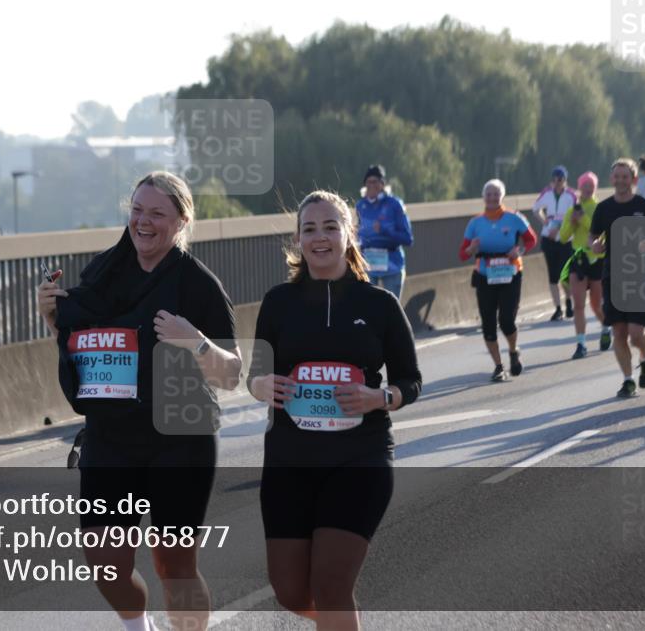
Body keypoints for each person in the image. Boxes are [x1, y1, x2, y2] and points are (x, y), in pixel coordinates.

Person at [37, 171, 242, 631]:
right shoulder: (102, 272)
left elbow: (232, 374)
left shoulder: (198, 284)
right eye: (136, 210)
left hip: (180, 437)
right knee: (105, 566)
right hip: (112, 438)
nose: (143, 222)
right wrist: (52, 318)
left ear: (182, 220)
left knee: (174, 565)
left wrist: (197, 342)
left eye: (156, 213)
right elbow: (83, 345)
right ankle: (139, 626)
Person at [247, 189, 421, 630]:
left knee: (330, 585)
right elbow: (257, 375)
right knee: (289, 591)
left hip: (359, 459)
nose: (319, 237)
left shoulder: (379, 304)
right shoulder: (277, 303)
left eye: (330, 227)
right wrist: (261, 385)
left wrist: (379, 398)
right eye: (309, 229)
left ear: (348, 235)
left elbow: (410, 381)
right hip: (289, 461)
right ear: (298, 239)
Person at [589, 158, 645, 398]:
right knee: (618, 333)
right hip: (613, 276)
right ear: (611, 179)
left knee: (635, 334)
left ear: (633, 179)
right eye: (617, 176)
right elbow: (593, 237)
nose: (621, 180)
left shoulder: (644, 205)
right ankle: (628, 379)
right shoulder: (604, 209)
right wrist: (595, 246)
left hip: (640, 276)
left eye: (625, 176)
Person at [460, 179, 538, 381]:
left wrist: (519, 250)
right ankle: (498, 366)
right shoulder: (475, 223)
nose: (492, 198)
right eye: (489, 194)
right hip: (485, 275)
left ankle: (513, 351)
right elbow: (462, 254)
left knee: (506, 320)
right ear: (483, 197)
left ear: (502, 196)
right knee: (488, 323)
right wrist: (471, 249)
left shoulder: (514, 218)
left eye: (496, 194)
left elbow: (531, 240)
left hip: (510, 273)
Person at [558, 171, 611, 358]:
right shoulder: (573, 209)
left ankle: (606, 327)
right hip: (578, 259)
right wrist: (572, 223)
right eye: (584, 186)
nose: (587, 189)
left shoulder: (599, 208)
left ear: (595, 188)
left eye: (591, 186)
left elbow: (600, 232)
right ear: (579, 188)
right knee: (578, 304)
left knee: (596, 304)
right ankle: (581, 344)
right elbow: (563, 237)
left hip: (597, 258)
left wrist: (584, 220)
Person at [356, 164, 413, 300]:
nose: (371, 185)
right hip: (368, 265)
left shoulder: (395, 204)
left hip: (392, 266)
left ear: (382, 184)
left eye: (375, 182)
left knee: (392, 311)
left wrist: (384, 231)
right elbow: (358, 233)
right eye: (368, 182)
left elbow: (408, 239)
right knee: (369, 312)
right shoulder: (360, 205)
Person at [533, 165, 577, 320]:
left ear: (565, 180)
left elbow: (575, 215)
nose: (557, 182)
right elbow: (535, 208)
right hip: (549, 238)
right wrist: (545, 222)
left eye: (560, 179)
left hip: (565, 238)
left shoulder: (570, 195)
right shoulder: (547, 193)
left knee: (565, 273)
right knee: (553, 275)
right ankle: (558, 308)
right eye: (554, 179)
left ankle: (569, 302)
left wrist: (560, 229)